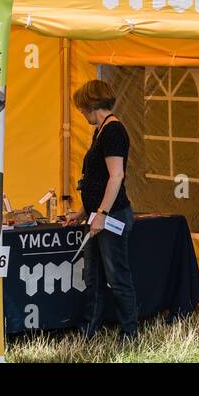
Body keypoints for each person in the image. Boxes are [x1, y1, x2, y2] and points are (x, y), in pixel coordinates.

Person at [69, 79, 139, 341]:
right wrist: (83, 210)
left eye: (81, 108)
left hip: (112, 216)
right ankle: (89, 329)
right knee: (93, 277)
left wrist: (102, 214)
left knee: (117, 276)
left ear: (91, 104)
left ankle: (129, 332)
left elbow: (116, 175)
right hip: (97, 214)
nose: (81, 113)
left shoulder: (113, 131)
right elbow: (95, 178)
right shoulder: (100, 130)